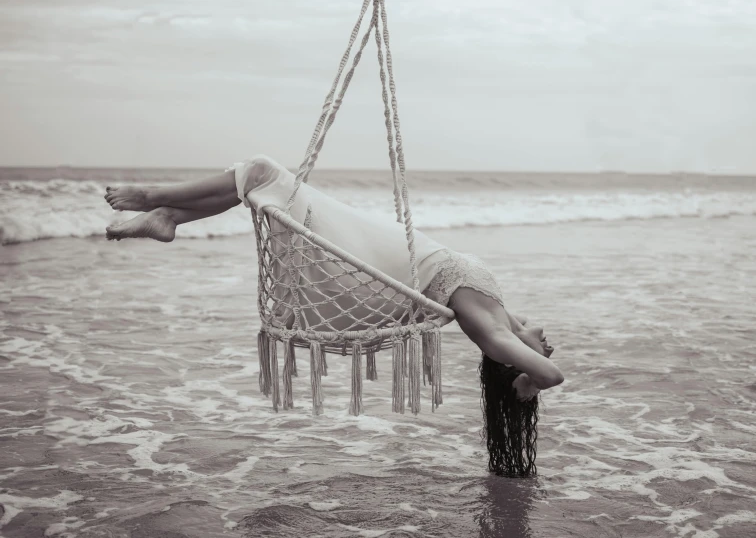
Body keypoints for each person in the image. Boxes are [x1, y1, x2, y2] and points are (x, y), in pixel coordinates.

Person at [104, 155, 564, 476]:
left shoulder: (491, 332)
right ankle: (168, 216)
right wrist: (526, 343)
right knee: (265, 186)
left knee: (264, 174)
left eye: (528, 356)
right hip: (406, 258)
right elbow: (532, 342)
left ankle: (153, 200)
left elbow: (552, 374)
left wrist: (527, 383)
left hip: (395, 265)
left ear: (511, 364)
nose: (549, 344)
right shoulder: (507, 320)